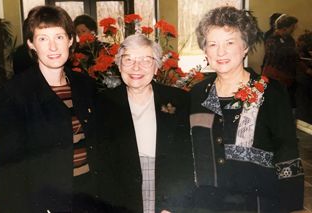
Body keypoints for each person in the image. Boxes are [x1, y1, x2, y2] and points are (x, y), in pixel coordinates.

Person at [0, 5, 111, 212]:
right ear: (31, 44)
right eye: (43, 38)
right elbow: (9, 173)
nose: (53, 47)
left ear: (71, 40)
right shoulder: (14, 93)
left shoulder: (85, 85)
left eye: (59, 37)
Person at [191, 6, 304, 213]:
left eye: (230, 42)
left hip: (257, 206)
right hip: (207, 206)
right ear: (205, 50)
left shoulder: (272, 92)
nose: (221, 52)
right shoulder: (197, 94)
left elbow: (286, 150)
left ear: (245, 47)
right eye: (212, 44)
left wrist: (289, 204)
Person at [99, 34, 194, 213]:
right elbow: (103, 167)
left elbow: (185, 159)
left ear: (156, 66)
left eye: (146, 60)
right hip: (121, 198)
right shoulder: (103, 103)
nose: (136, 67)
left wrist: (172, 205)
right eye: (128, 60)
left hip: (166, 193)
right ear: (119, 65)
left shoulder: (178, 100)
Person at [262, 14, 299, 108]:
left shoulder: (289, 39)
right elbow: (278, 55)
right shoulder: (271, 39)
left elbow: (294, 56)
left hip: (287, 78)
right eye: (292, 27)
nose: (293, 30)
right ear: (285, 28)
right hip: (275, 77)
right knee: (275, 104)